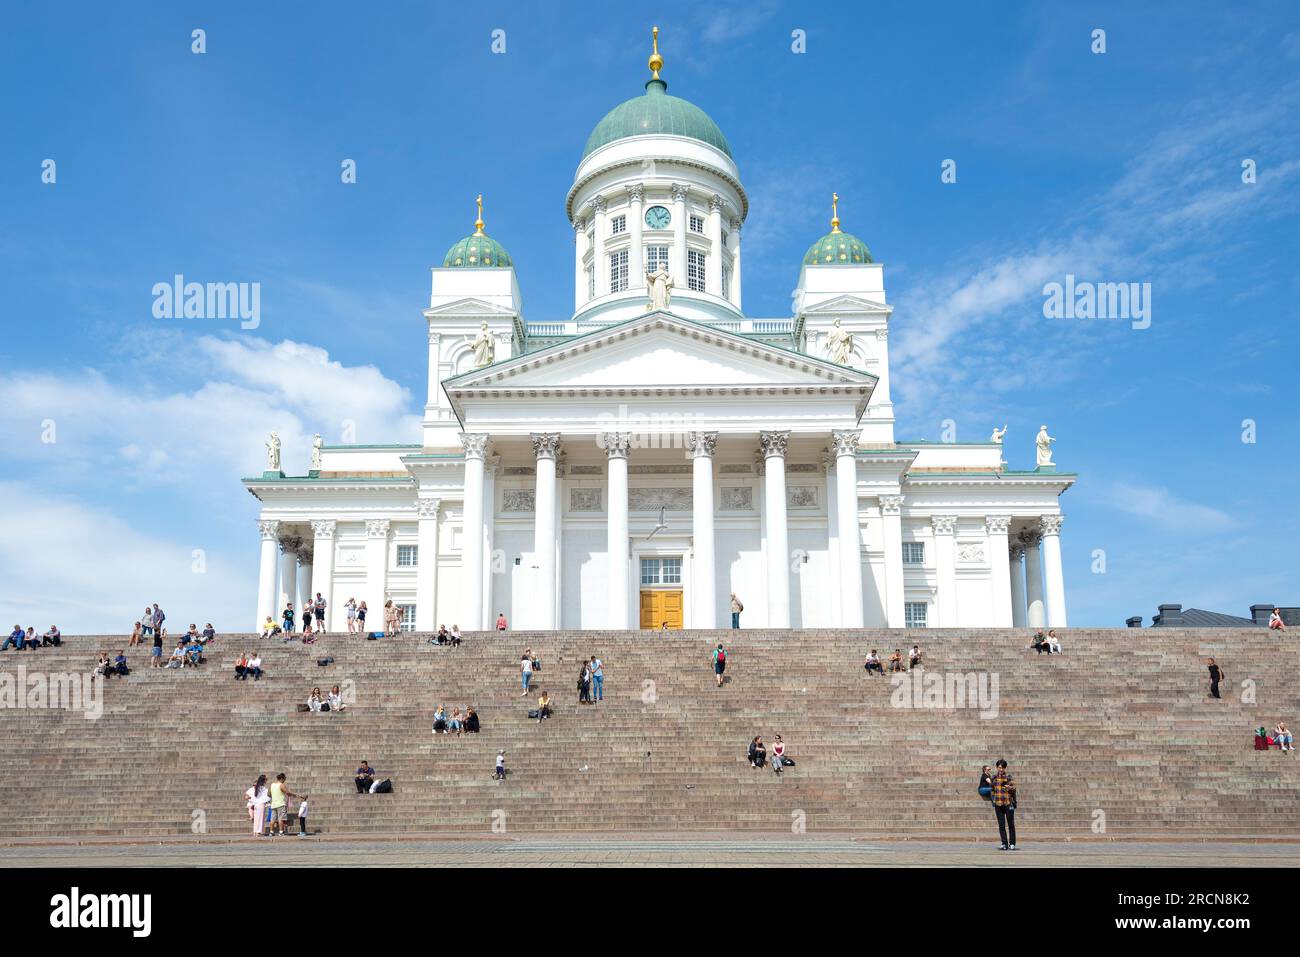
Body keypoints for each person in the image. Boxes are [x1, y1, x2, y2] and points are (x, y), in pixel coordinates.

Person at [990, 759, 1017, 850]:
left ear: (1005, 768)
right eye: (999, 767)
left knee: (1010, 824)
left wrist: (1010, 788)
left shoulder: (1008, 777)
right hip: (998, 804)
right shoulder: (994, 777)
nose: (1000, 769)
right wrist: (993, 799)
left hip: (1008, 803)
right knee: (1001, 825)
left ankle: (1012, 843)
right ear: (997, 767)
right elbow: (992, 789)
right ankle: (1004, 843)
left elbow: (1014, 789)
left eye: (1002, 767)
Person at [268, 773, 299, 837]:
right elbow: (287, 792)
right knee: (281, 819)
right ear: (282, 778)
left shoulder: (272, 785)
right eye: (284, 779)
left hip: (273, 804)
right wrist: (293, 795)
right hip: (281, 804)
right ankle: (281, 832)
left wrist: (274, 797)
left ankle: (271, 832)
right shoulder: (281, 785)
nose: (284, 780)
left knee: (272, 819)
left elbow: (268, 794)